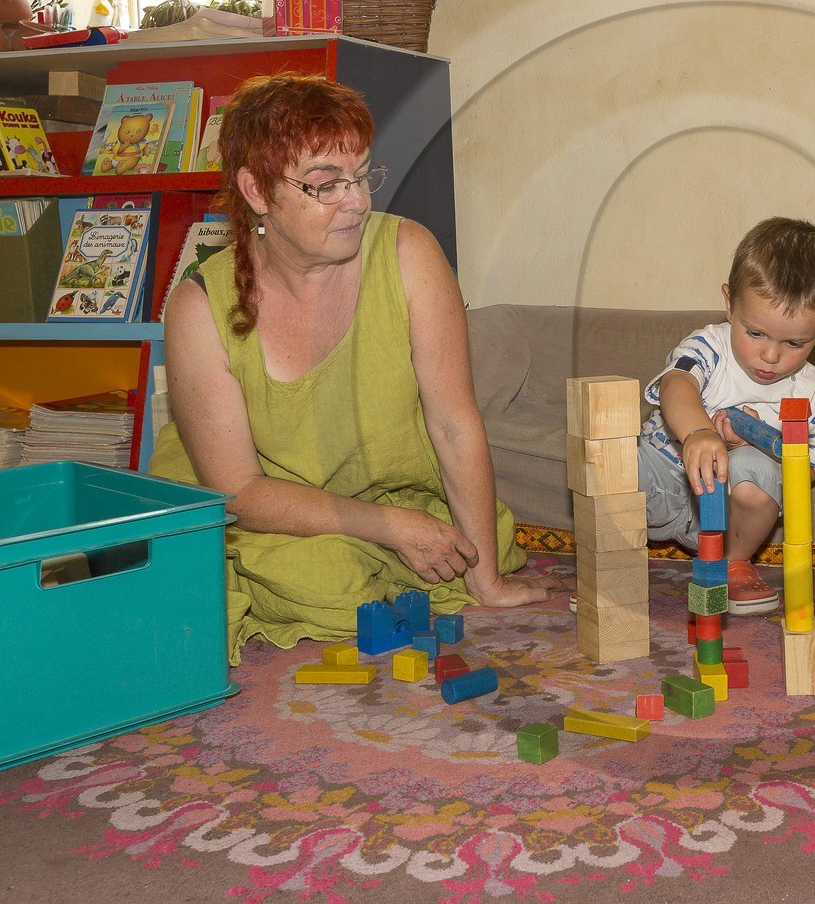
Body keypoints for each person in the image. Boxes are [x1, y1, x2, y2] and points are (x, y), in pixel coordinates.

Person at [150, 74, 548, 664]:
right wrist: (387, 526)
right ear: (257, 191)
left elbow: (454, 425)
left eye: (362, 176)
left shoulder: (410, 252)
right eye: (325, 185)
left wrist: (485, 579)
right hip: (269, 512)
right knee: (320, 583)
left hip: (399, 492)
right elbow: (238, 489)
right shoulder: (197, 307)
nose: (358, 201)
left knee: (466, 547)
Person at [638, 217, 815, 614]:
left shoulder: (814, 395)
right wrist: (698, 432)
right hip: (664, 478)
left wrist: (757, 444)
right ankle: (613, 564)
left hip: (732, 517)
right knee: (613, 468)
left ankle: (734, 561)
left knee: (760, 471)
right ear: (730, 304)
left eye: (795, 342)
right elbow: (676, 384)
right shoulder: (709, 347)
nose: (771, 356)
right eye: (756, 334)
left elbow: (810, 471)